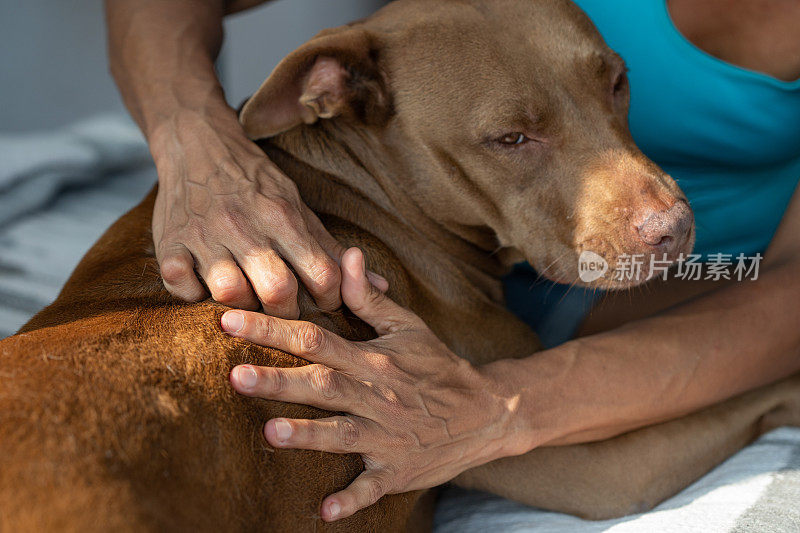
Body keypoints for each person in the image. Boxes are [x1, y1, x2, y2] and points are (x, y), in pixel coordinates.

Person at [106, 0, 800, 523]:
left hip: (728, 279)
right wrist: (191, 138)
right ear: (331, 90)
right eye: (514, 136)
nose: (662, 213)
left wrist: (507, 406)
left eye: (613, 86)